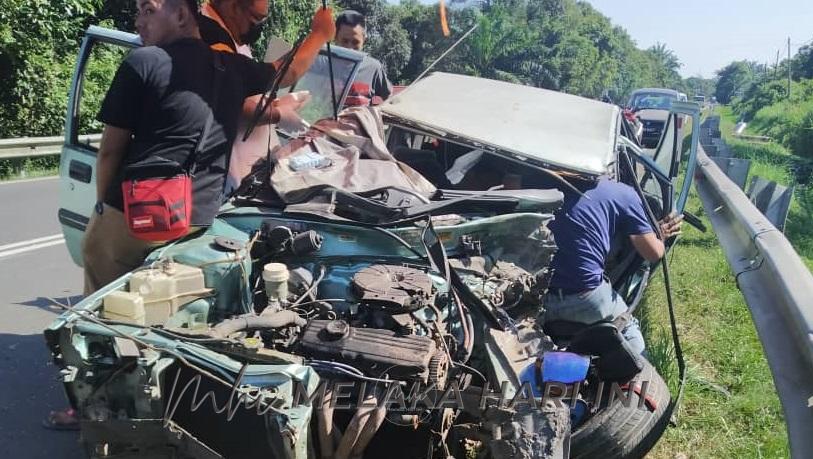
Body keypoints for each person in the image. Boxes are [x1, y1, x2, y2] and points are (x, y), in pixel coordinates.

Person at [43, 0, 335, 430]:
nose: (137, 20)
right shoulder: (231, 67)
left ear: (182, 15)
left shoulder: (144, 62)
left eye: (147, 9)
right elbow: (285, 72)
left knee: (99, 315)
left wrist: (104, 207)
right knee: (173, 313)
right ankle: (174, 402)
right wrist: (319, 35)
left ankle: (91, 405)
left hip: (135, 218)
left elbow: (110, 150)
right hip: (197, 222)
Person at [543, 176, 683, 354]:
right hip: (587, 299)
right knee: (629, 333)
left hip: (535, 299)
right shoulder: (624, 193)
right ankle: (637, 374)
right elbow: (653, 253)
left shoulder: (541, 179)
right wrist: (660, 236)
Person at [198, 0, 312, 193]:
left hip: (229, 175)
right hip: (206, 177)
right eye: (256, 19)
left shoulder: (232, 37)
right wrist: (319, 34)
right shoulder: (213, 37)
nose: (258, 26)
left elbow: (245, 89)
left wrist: (277, 103)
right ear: (233, 6)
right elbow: (284, 72)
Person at [334, 10, 392, 104]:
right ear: (335, 37)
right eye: (345, 41)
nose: (350, 48)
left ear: (364, 40)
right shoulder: (323, 64)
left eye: (355, 42)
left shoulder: (373, 68)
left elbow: (389, 98)